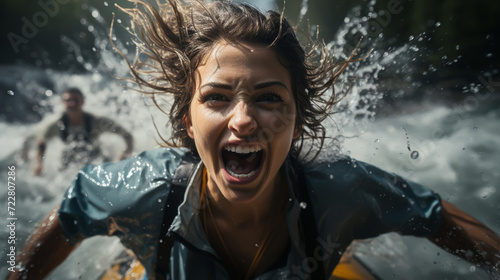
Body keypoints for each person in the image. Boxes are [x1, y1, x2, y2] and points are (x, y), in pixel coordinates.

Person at [9, 1, 499, 279]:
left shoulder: (338, 191)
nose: (243, 120)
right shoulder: (144, 191)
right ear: (186, 120)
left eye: (268, 99)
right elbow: (73, 208)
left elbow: (434, 214)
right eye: (217, 98)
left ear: (297, 119)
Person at [33, 87, 134, 176]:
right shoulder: (55, 124)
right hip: (68, 166)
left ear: (82, 102)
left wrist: (123, 156)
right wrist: (39, 164)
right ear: (63, 103)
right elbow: (41, 141)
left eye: (75, 100)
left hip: (97, 162)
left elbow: (127, 136)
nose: (72, 103)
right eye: (68, 100)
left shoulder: (97, 121)